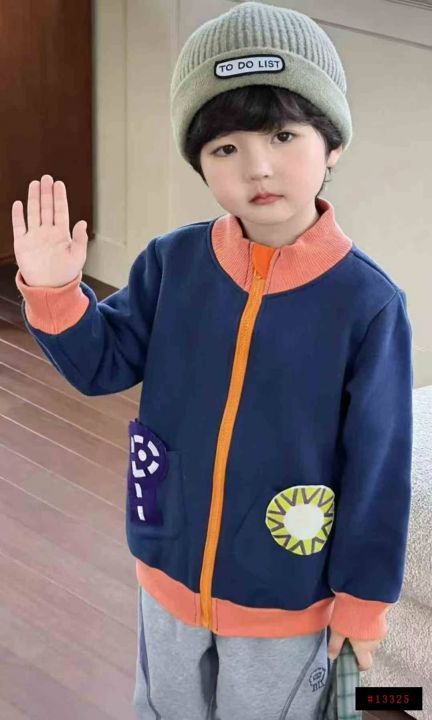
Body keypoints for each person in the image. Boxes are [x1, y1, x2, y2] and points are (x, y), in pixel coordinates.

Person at [12, 2, 413, 719]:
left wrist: (362, 603)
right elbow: (101, 364)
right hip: (166, 560)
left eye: (283, 135)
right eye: (225, 148)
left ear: (332, 144)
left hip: (284, 590)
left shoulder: (368, 305)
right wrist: (56, 292)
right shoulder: (173, 263)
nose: (257, 166)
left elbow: (379, 469)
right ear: (199, 161)